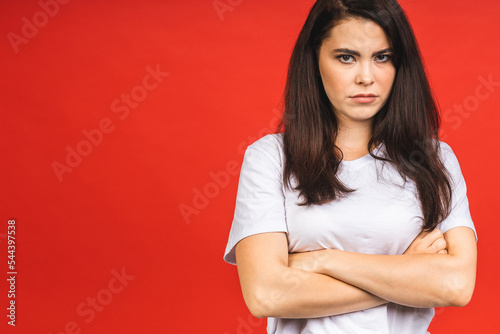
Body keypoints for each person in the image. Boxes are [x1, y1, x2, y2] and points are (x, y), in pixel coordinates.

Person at [223, 0, 477, 333]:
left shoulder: (435, 159)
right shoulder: (270, 158)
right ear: (315, 61)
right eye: (346, 57)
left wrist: (320, 260)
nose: (366, 77)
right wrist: (406, 274)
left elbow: (456, 286)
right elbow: (267, 294)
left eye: (382, 57)